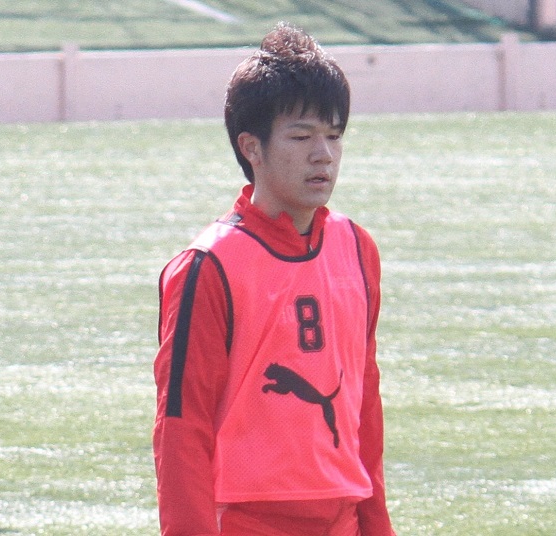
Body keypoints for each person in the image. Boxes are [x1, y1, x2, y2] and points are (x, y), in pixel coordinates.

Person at [153, 22, 396, 536]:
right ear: (252, 147)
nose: (323, 154)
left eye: (334, 135)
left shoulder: (358, 249)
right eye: (302, 136)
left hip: (344, 522)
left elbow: (364, 407)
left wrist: (377, 525)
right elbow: (181, 428)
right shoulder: (207, 266)